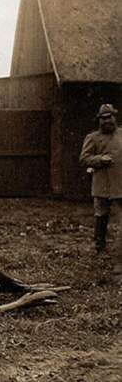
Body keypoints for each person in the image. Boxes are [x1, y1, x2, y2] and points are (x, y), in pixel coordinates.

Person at [80, 103, 122, 284]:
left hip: (121, 184)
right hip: (102, 184)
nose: (107, 121)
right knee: (101, 214)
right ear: (99, 120)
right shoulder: (93, 137)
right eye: (104, 118)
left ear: (115, 117)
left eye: (110, 117)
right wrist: (99, 159)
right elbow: (84, 158)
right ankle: (100, 245)